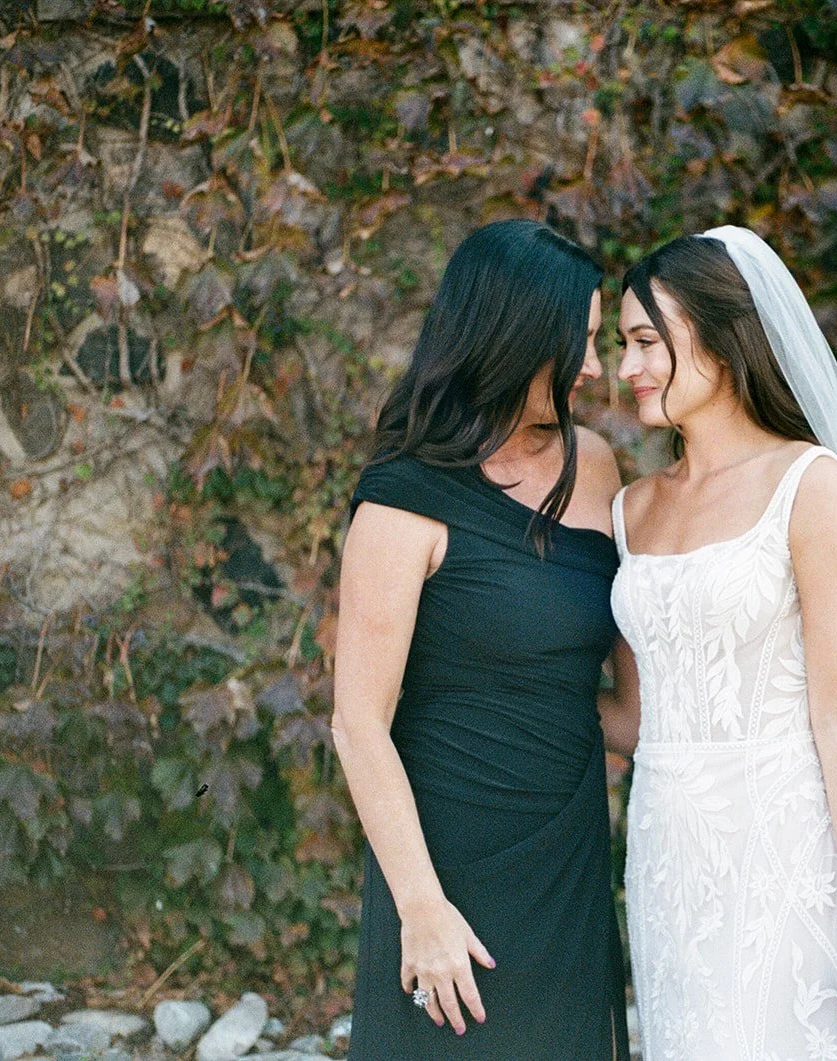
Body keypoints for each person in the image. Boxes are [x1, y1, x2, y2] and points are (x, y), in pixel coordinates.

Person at [598, 228, 837, 1061]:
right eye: (620, 346)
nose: (628, 368)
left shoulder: (810, 486)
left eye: (645, 342)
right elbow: (635, 717)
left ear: (721, 335)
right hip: (667, 854)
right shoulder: (630, 511)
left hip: (784, 845)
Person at [329, 218, 629, 1059]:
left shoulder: (596, 464)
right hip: (447, 859)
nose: (598, 367)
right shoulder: (404, 498)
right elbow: (358, 723)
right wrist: (422, 907)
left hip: (566, 851)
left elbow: (620, 706)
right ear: (519, 337)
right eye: (584, 343)